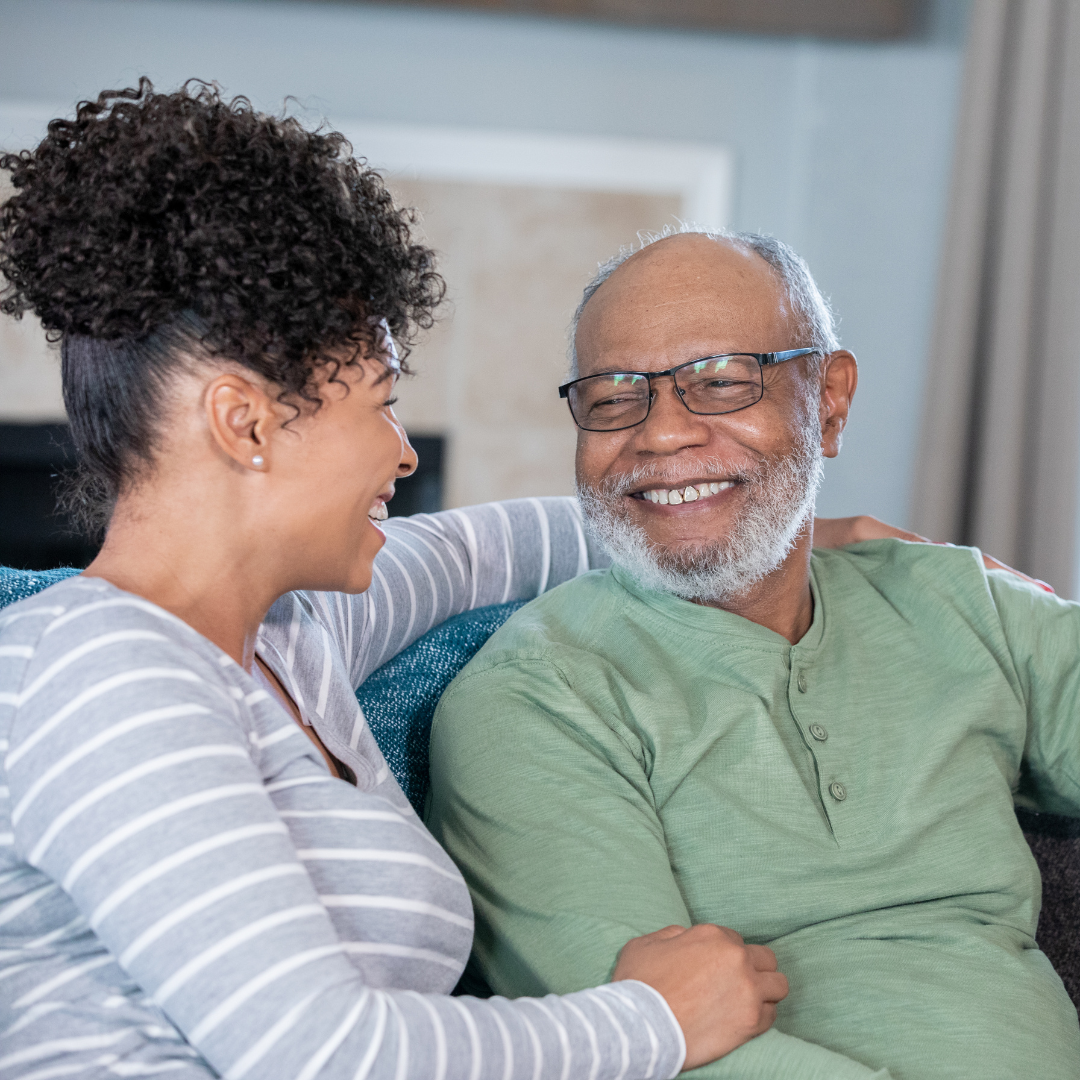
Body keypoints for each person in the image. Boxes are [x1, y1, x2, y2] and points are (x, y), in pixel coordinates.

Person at [0, 83, 801, 1080]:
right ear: (243, 422)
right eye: (380, 404)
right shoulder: (103, 670)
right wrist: (656, 1021)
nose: (401, 453)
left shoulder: (296, 641)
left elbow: (491, 551)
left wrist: (757, 528)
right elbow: (326, 1052)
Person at [426, 228, 1080, 1080]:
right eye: (613, 397)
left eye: (720, 382)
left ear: (830, 402)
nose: (660, 436)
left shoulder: (962, 603)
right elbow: (646, 1047)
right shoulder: (534, 698)